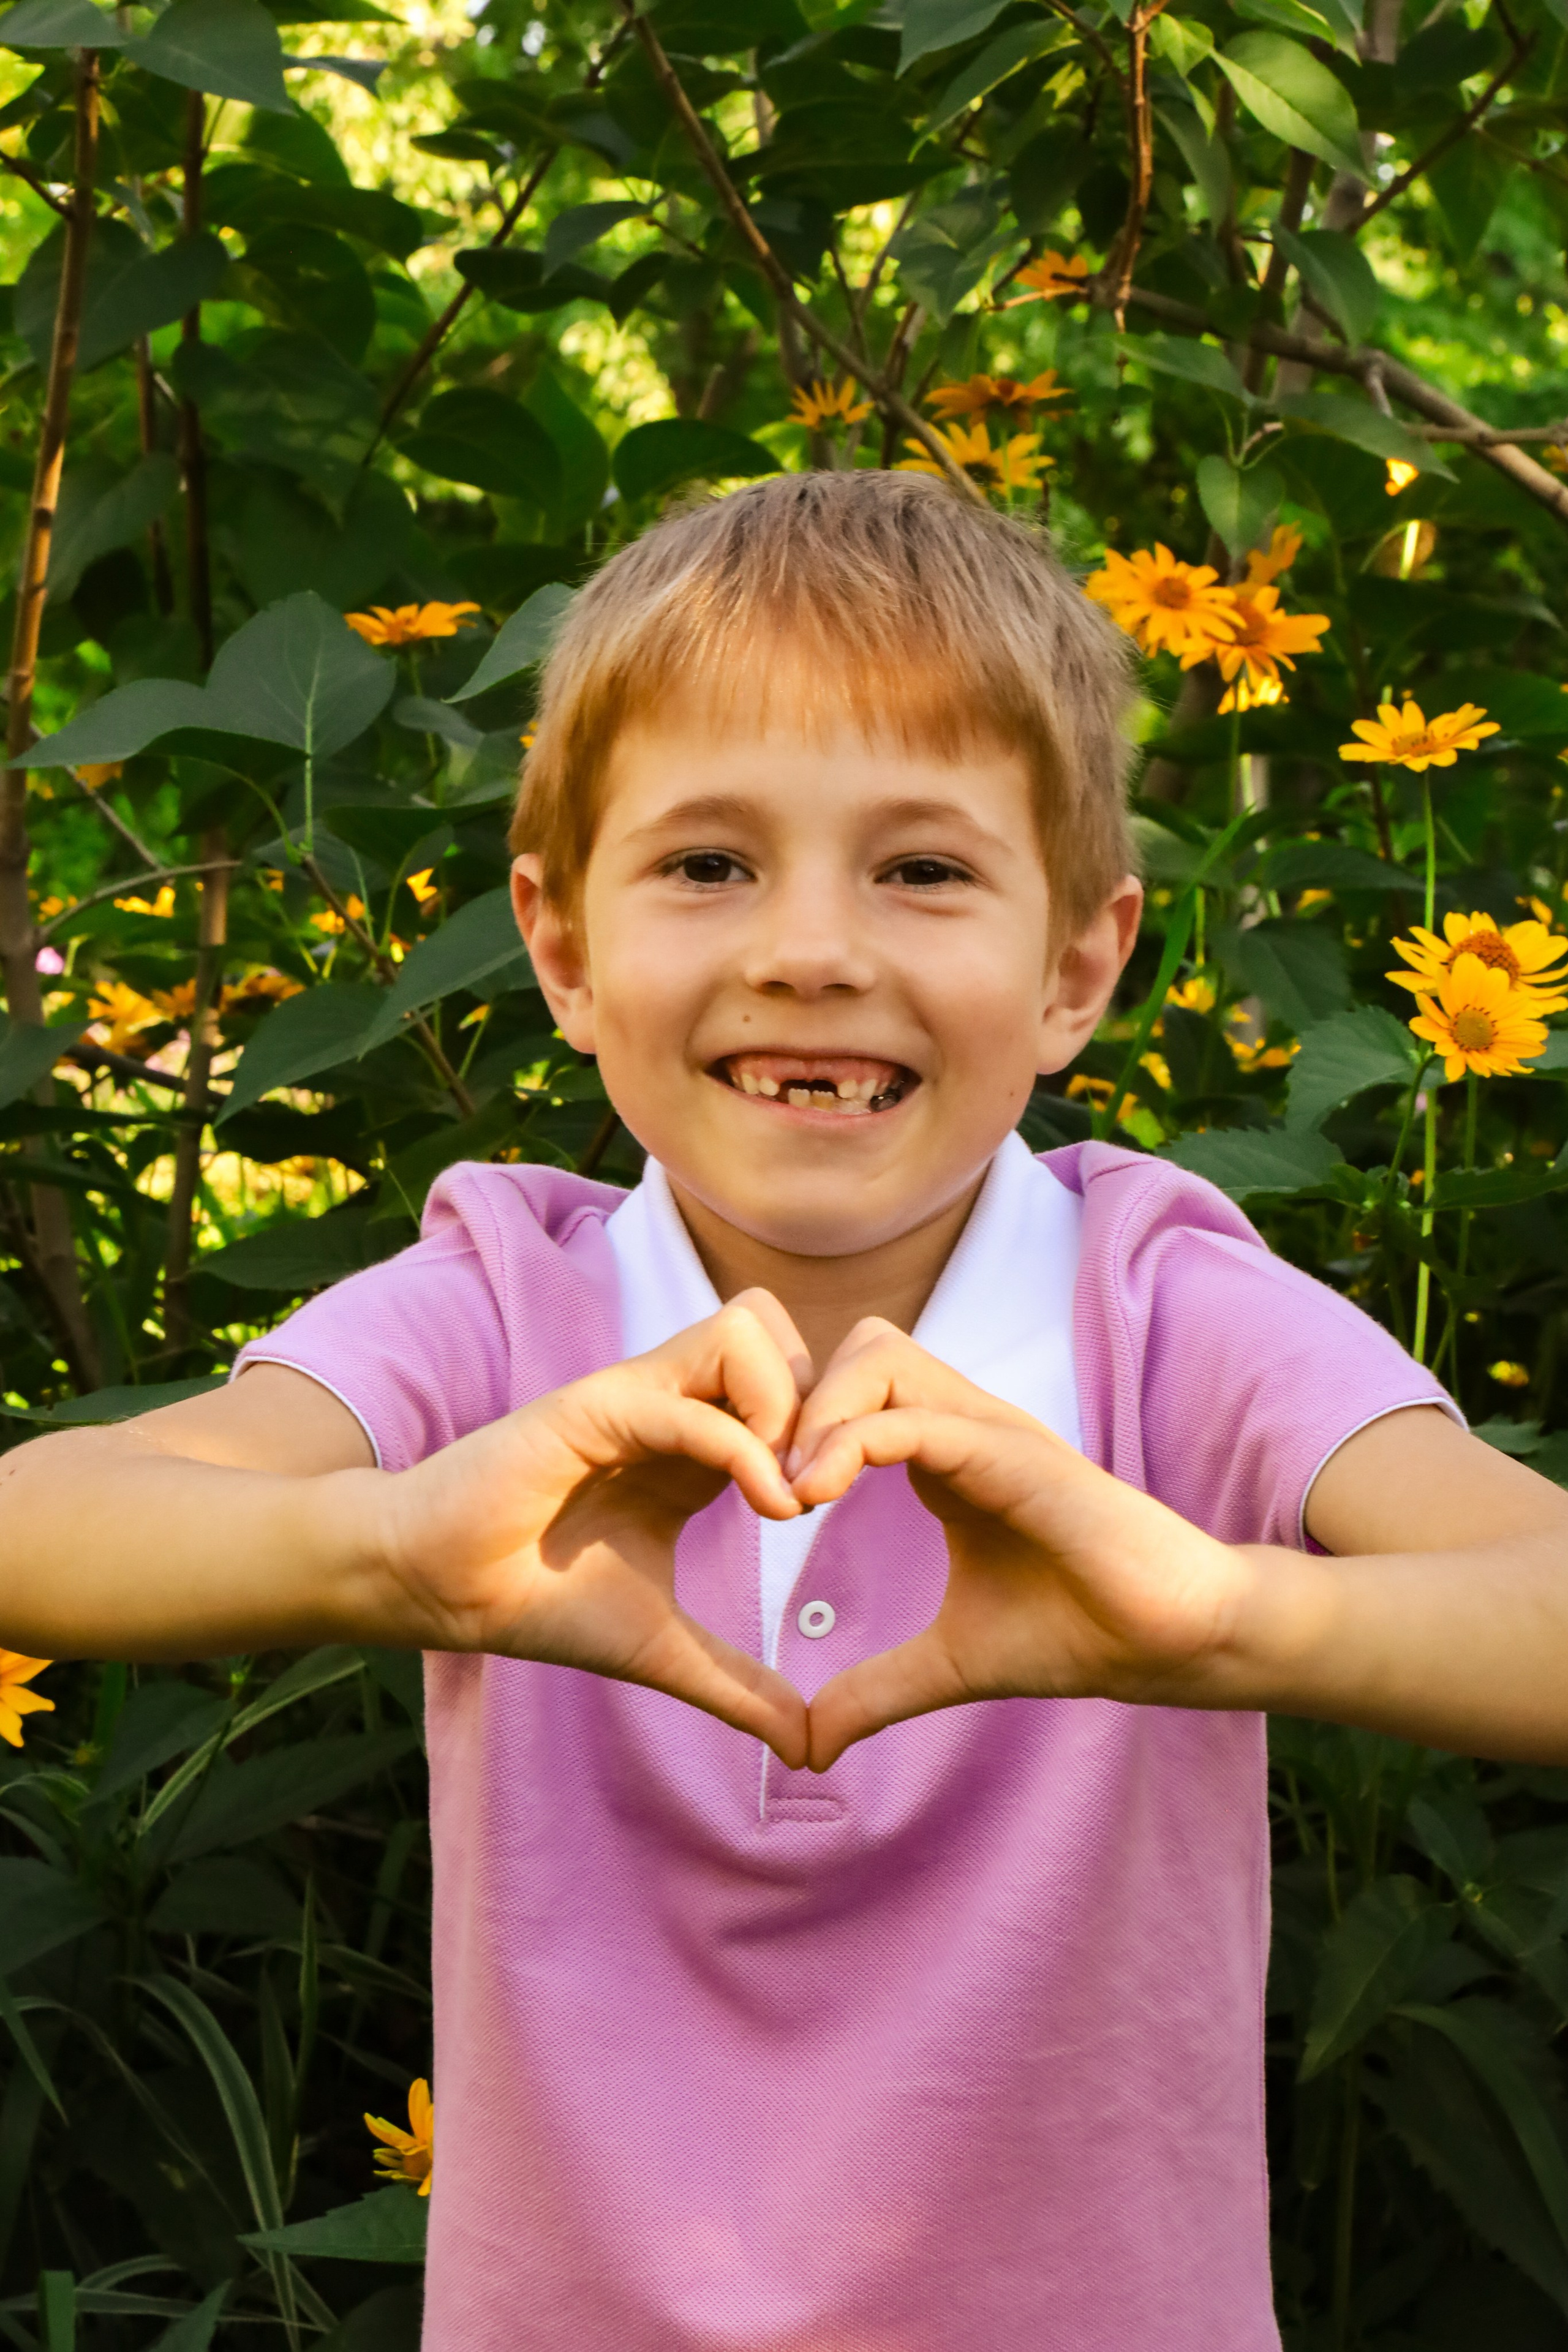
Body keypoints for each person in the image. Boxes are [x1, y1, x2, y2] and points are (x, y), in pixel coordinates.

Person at [4, 470, 1568, 2352]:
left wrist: (1233, 1615)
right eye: (708, 864)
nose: (810, 948)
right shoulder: (506, 1298)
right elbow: (48, 1521)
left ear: (1080, 961)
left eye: (921, 868)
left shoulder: (1162, 1314)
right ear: (562, 948)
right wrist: (388, 1552)